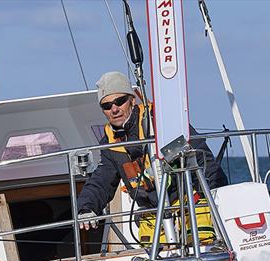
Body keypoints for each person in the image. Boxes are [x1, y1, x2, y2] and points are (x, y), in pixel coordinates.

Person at [76, 72, 227, 242]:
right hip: (152, 218)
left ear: (132, 100)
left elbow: (201, 158)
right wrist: (86, 207)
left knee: (207, 259)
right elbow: (102, 180)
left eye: (120, 101)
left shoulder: (161, 124)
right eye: (107, 105)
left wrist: (217, 195)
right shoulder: (110, 143)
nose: (114, 109)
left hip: (189, 206)